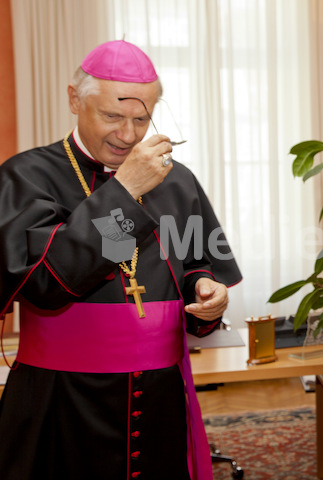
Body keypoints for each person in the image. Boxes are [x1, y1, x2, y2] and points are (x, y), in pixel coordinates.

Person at [0, 40, 242, 480]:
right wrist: (124, 193)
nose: (128, 135)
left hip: (159, 398)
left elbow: (196, 268)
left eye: (141, 118)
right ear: (75, 99)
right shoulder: (26, 175)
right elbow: (47, 282)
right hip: (62, 400)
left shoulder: (177, 180)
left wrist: (207, 295)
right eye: (112, 116)